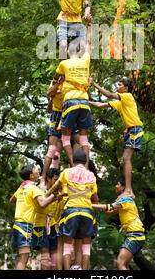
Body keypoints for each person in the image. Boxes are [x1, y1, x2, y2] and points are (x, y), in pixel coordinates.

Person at [89, 76, 144, 199]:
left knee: (126, 158)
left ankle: (129, 190)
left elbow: (109, 94)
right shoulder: (121, 102)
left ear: (126, 88)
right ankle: (128, 189)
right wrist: (84, 101)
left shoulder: (128, 96)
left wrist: (94, 84)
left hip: (135, 129)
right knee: (125, 160)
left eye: (119, 85)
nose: (117, 87)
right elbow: (100, 105)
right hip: (130, 131)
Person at [46, 149, 98, 270]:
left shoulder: (66, 172)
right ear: (85, 162)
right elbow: (95, 197)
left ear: (73, 161)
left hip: (70, 212)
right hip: (87, 212)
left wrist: (46, 195)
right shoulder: (91, 175)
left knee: (67, 246)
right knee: (85, 247)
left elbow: (55, 186)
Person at [53, 23, 93, 168]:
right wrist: (88, 27)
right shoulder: (86, 60)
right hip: (84, 101)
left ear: (69, 51)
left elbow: (56, 78)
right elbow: (89, 43)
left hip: (70, 101)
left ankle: (74, 167)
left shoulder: (64, 64)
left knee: (65, 138)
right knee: (83, 138)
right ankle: (86, 168)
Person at [9, 164, 59, 270]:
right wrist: (54, 195)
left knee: (22, 257)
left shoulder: (22, 188)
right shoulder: (33, 188)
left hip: (17, 224)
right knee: (24, 258)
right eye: (35, 169)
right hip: (25, 225)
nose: (38, 171)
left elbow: (12, 200)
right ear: (31, 175)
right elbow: (42, 204)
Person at [92, 176, 145, 270]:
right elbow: (109, 212)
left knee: (120, 263)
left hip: (134, 235)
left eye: (118, 184)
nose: (116, 186)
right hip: (136, 235)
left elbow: (110, 207)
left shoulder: (126, 199)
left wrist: (89, 204)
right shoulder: (125, 201)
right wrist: (97, 203)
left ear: (124, 187)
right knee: (124, 264)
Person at [40, 75, 80, 188]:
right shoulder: (55, 81)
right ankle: (44, 180)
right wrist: (57, 86)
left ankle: (76, 178)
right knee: (53, 151)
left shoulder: (75, 80)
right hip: (57, 114)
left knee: (76, 147)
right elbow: (49, 95)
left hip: (72, 113)